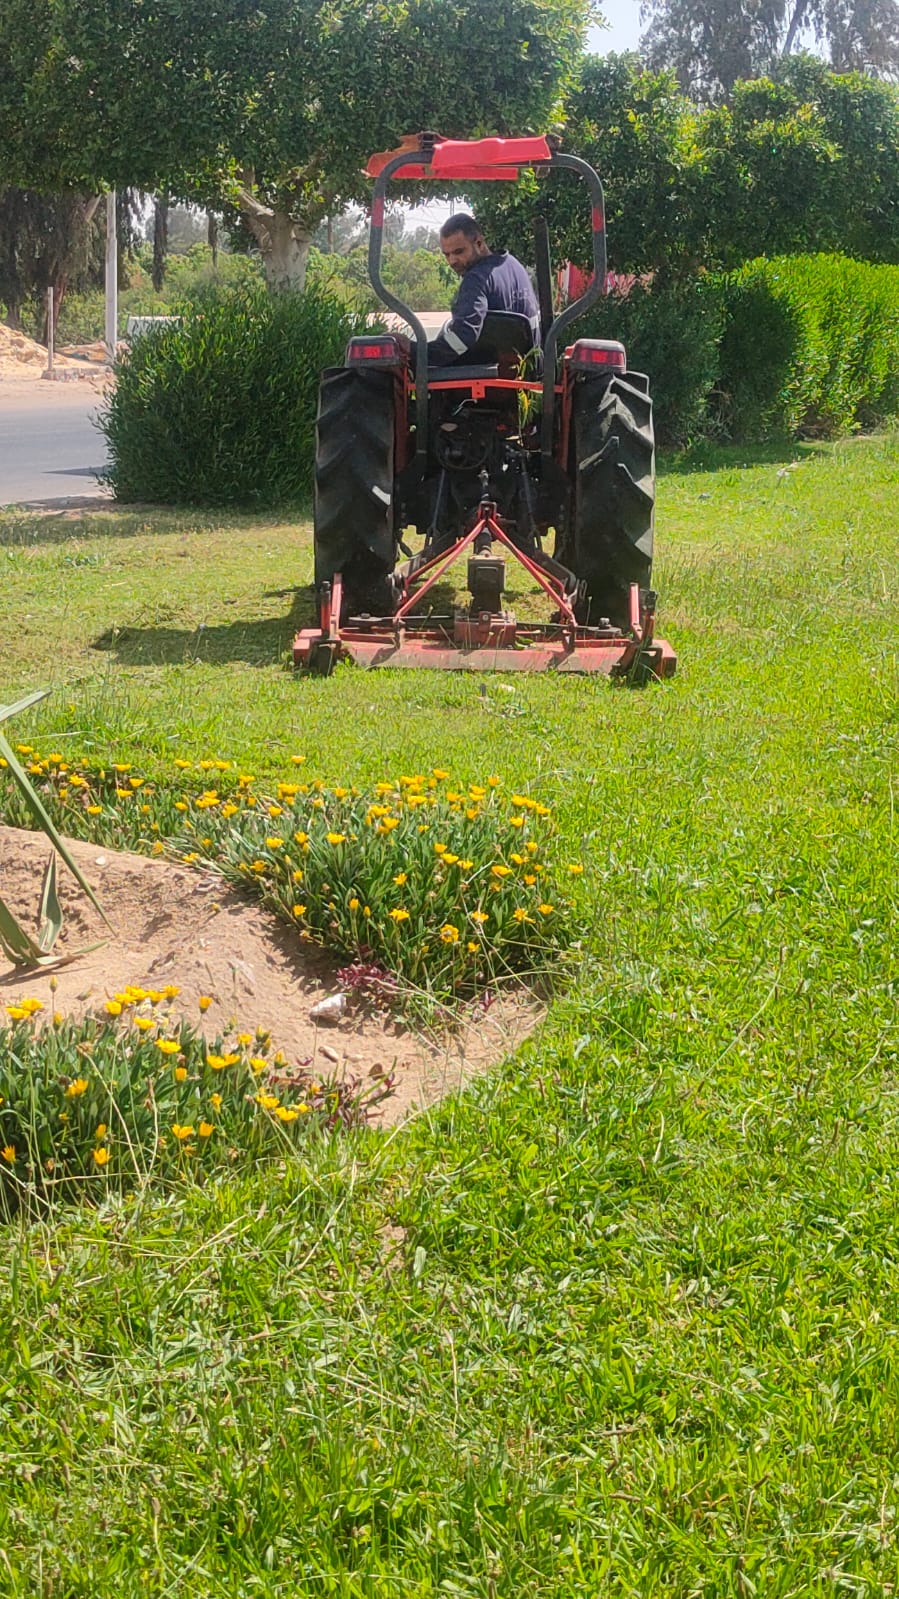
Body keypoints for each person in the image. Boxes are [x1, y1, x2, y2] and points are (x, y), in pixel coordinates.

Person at [427, 214, 540, 366]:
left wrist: (417, 353)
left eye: (459, 252)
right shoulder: (514, 265)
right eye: (447, 254)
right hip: (529, 370)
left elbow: (462, 337)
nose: (452, 261)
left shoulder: (476, 279)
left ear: (479, 243)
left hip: (494, 373)